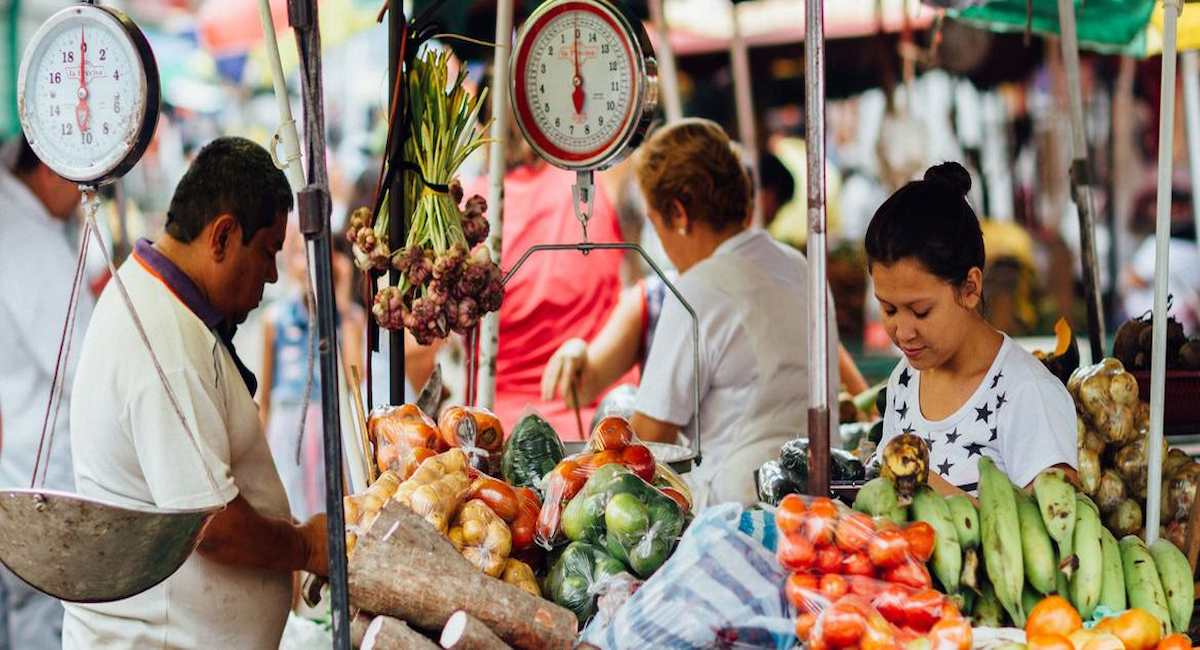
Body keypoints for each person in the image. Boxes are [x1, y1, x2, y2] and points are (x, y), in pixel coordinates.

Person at [64, 137, 328, 649]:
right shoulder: (161, 335)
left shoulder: (165, 308)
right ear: (224, 236)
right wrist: (304, 546)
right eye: (268, 251)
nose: (271, 275)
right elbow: (212, 526)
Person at [571, 119, 839, 506]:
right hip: (818, 500)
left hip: (735, 512)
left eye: (655, 222)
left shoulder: (698, 290)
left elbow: (647, 438)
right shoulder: (798, 266)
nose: (658, 239)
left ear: (678, 213)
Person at [867, 162, 1076, 495]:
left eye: (921, 311)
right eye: (889, 309)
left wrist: (933, 487)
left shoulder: (1026, 393)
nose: (903, 332)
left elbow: (1057, 530)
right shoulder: (904, 382)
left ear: (969, 288)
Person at [465, 121, 634, 439]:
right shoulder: (601, 183)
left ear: (483, 129)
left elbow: (418, 353)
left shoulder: (470, 208)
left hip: (503, 433)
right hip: (607, 433)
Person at [0, 136, 92, 649]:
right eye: (80, 187)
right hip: (36, 480)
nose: (83, 201)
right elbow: (82, 364)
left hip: (22, 470)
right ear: (52, 172)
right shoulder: (24, 240)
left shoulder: (23, 224)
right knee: (39, 620)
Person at [259, 220, 365, 521]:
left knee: (337, 518)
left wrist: (342, 302)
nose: (308, 265)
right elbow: (265, 400)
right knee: (289, 517)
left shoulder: (348, 320)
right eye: (298, 254)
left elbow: (356, 380)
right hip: (288, 432)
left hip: (333, 429)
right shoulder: (274, 320)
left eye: (317, 255)